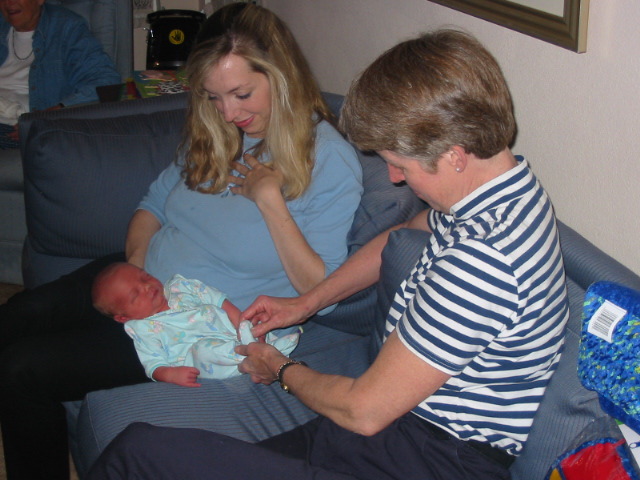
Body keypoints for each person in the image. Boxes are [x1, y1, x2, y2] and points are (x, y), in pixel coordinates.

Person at [87, 29, 570, 480]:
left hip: (429, 458)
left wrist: (277, 366)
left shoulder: (482, 261)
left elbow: (364, 409)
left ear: (455, 154)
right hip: (395, 431)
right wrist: (306, 303)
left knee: (140, 451)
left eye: (399, 166)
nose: (396, 180)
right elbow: (400, 234)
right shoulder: (502, 194)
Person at [0, 4, 362, 479]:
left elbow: (323, 292)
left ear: (281, 75)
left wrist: (270, 201)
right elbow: (151, 205)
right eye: (213, 97)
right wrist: (135, 266)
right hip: (139, 277)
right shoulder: (215, 131)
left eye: (241, 93)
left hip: (190, 322)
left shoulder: (329, 160)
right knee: (15, 317)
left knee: (23, 370)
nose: (229, 113)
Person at [92, 262, 301, 386]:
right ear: (123, 317)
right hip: (205, 362)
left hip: (234, 333)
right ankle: (255, 354)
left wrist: (244, 324)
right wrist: (170, 375)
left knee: (250, 324)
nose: (146, 287)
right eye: (135, 294)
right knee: (203, 349)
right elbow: (153, 365)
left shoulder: (181, 287)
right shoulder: (142, 330)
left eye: (144, 277)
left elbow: (222, 303)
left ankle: (267, 348)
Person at [0, 0, 121, 148]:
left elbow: (106, 81)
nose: (9, 3)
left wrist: (48, 117)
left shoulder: (66, 27)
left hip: (15, 127)